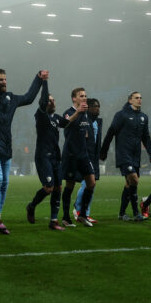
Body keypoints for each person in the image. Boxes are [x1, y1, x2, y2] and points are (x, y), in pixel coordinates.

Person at [0, 48, 44, 234]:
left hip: (6, 145)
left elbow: (29, 98)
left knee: (5, 183)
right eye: (1, 80)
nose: (4, 82)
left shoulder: (11, 98)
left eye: (5, 79)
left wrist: (38, 79)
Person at [26, 81, 77, 231]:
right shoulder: (41, 115)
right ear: (44, 103)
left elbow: (66, 123)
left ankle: (53, 221)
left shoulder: (56, 118)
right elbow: (43, 101)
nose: (53, 102)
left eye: (54, 100)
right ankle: (31, 206)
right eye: (49, 100)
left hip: (55, 157)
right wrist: (44, 82)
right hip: (43, 156)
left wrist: (78, 112)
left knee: (58, 188)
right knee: (49, 188)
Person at [99, 91, 151, 222]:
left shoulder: (143, 117)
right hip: (123, 154)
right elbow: (111, 132)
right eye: (136, 98)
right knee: (134, 180)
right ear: (130, 100)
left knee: (129, 183)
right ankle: (136, 213)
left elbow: (146, 138)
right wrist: (103, 152)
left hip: (136, 156)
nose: (139, 100)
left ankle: (122, 214)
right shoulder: (121, 115)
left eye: (141, 98)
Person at [59, 88, 98, 228]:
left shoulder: (86, 115)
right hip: (71, 155)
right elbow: (65, 124)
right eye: (81, 96)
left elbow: (86, 134)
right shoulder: (69, 112)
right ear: (74, 98)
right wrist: (77, 113)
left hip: (83, 154)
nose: (84, 98)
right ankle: (65, 218)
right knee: (70, 185)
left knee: (91, 183)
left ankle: (82, 215)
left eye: (85, 95)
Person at [72, 98, 102, 224]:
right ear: (88, 108)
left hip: (93, 157)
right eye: (95, 106)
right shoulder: (84, 121)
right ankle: (79, 210)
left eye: (98, 106)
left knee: (91, 185)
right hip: (85, 156)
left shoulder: (97, 122)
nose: (97, 108)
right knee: (88, 184)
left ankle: (84, 212)